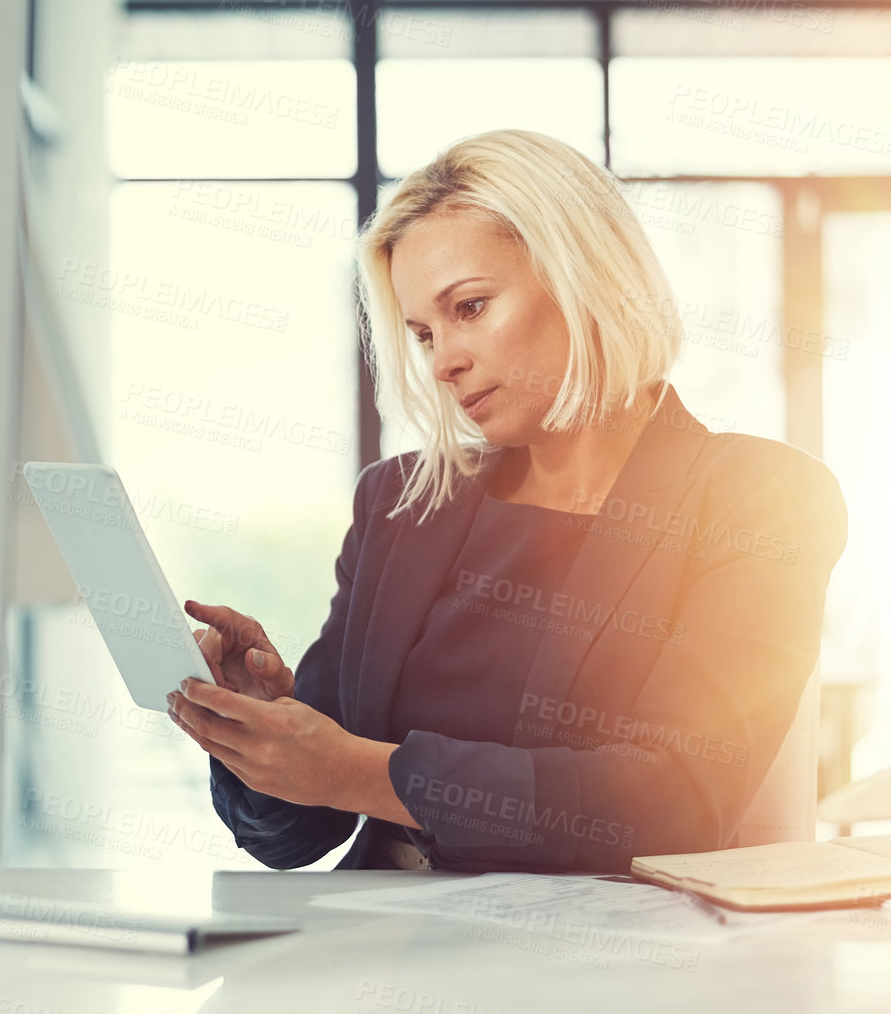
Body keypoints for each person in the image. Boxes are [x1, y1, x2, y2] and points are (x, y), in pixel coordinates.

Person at [164, 129, 847, 873]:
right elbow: (294, 837)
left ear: (584, 276)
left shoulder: (762, 499)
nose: (444, 362)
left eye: (472, 307)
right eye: (423, 333)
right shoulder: (400, 504)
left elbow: (676, 798)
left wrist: (359, 772)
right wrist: (262, 732)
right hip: (374, 956)